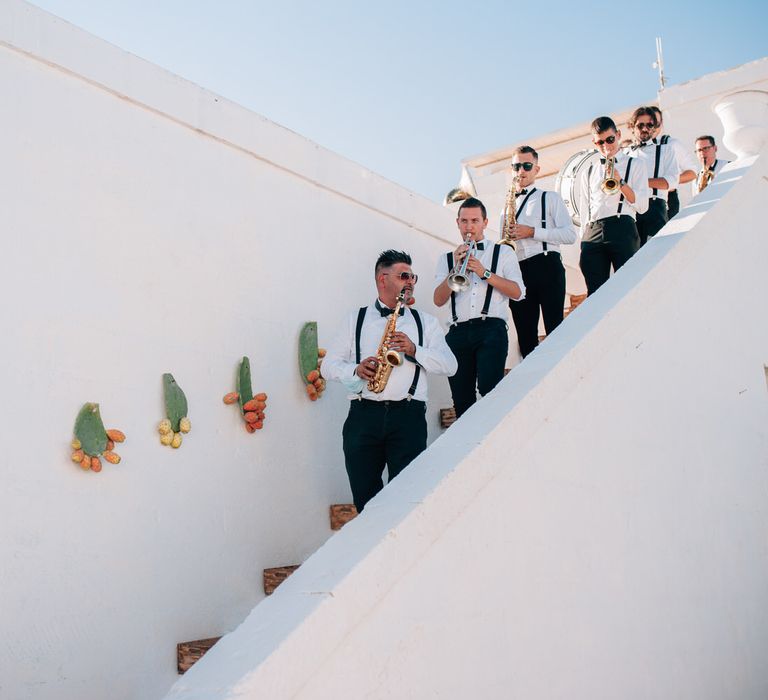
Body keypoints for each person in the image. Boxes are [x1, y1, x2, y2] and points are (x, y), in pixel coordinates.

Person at [323, 250, 457, 512]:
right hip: (362, 417)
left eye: (413, 276)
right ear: (383, 279)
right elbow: (328, 366)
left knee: (407, 500)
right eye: (404, 276)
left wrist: (415, 350)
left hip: (408, 418)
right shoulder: (355, 319)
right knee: (365, 500)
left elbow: (451, 365)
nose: (411, 282)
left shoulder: (425, 323)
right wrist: (356, 371)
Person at [433, 197, 525, 419]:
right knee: (462, 399)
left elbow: (518, 292)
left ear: (485, 222)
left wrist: (484, 272)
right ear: (457, 223)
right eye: (464, 221)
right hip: (457, 333)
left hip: (491, 329)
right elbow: (438, 299)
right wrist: (454, 268)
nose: (469, 227)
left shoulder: (503, 253)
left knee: (489, 388)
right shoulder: (446, 259)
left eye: (475, 221)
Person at [502, 146, 576, 358]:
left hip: (547, 265)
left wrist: (532, 231)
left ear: (537, 169)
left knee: (555, 329)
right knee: (526, 338)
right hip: (518, 271)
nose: (521, 171)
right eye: (517, 166)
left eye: (527, 166)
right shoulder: (506, 207)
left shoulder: (549, 198)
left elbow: (570, 235)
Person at [578, 116, 649, 296]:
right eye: (600, 142)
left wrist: (621, 183)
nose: (606, 146)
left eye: (610, 140)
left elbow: (642, 206)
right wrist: (584, 237)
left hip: (622, 227)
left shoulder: (636, 164)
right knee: (595, 292)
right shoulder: (588, 171)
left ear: (618, 135)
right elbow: (585, 208)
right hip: (593, 231)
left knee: (628, 286)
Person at [625, 106, 680, 245]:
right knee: (632, 258)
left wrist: (642, 181)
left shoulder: (665, 150)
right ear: (632, 127)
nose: (645, 129)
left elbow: (672, 181)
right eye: (640, 125)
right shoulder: (625, 154)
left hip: (655, 209)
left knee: (655, 252)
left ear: (654, 128)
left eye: (649, 125)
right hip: (629, 211)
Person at [650, 107, 697, 219]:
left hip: (665, 199)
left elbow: (692, 172)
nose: (650, 127)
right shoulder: (634, 149)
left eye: (654, 123)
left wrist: (670, 182)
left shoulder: (671, 144)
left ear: (661, 124)